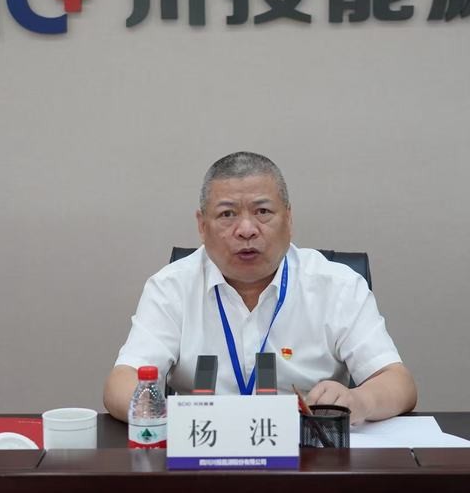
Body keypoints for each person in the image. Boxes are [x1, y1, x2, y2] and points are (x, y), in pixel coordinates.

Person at [104, 152, 416, 423]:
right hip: (203, 451)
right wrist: (171, 418)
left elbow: (397, 383)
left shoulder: (338, 286)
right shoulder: (171, 287)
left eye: (263, 212)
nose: (246, 230)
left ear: (289, 219)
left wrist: (358, 400)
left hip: (307, 454)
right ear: (202, 225)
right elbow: (122, 382)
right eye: (227, 214)